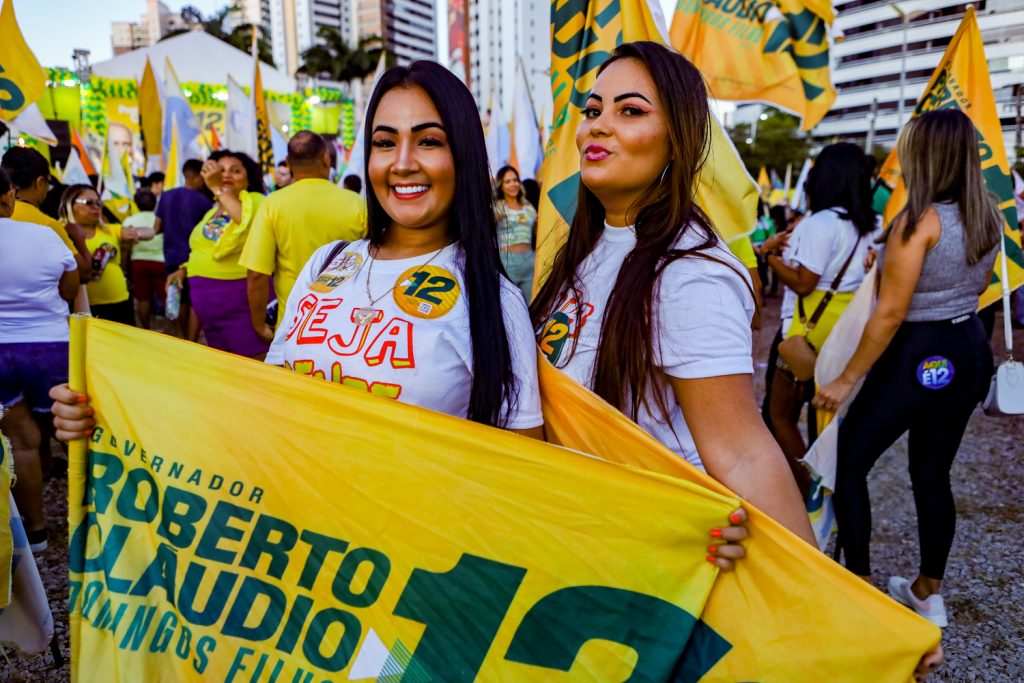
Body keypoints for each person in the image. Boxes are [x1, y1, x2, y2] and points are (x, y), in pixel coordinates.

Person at [51, 60, 756, 578]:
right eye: (385, 142)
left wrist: (685, 535)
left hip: (404, 584)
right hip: (284, 562)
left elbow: (532, 483)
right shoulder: (327, 263)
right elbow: (259, 414)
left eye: (429, 139)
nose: (404, 163)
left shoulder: (497, 302)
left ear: (463, 154)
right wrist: (107, 412)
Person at [530, 40, 812, 547]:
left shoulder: (690, 275)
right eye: (593, 109)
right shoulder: (584, 247)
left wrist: (813, 597)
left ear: (678, 141)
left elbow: (743, 452)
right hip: (570, 534)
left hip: (639, 557)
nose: (597, 124)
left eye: (630, 110)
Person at [815, 109, 1002, 629]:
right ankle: (928, 592)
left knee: (850, 460)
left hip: (920, 352)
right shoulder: (988, 213)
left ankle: (857, 589)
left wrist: (845, 378)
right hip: (969, 346)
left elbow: (891, 313)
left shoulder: (917, 220)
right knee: (932, 471)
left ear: (925, 156)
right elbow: (964, 280)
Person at [761, 143, 878, 496]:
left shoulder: (820, 223)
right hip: (844, 333)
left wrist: (767, 256)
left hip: (804, 334)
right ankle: (827, 485)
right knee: (822, 420)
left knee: (777, 415)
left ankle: (811, 489)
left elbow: (803, 282)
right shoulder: (871, 225)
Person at [0, 167, 79, 552]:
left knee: (22, 444)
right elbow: (70, 287)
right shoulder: (43, 235)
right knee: (76, 435)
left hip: (0, 351)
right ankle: (94, 524)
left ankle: (36, 532)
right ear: (8, 197)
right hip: (50, 347)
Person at [240, 130, 367, 342]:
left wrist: (259, 325)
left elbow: (256, 274)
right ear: (326, 158)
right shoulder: (357, 204)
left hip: (292, 324)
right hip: (346, 327)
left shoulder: (273, 204)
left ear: (288, 163)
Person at [167, 151, 268, 357]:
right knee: (225, 371)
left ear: (249, 179)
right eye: (221, 170)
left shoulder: (255, 201)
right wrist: (184, 270)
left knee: (253, 370)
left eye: (235, 170)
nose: (227, 174)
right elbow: (205, 248)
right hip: (209, 312)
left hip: (240, 307)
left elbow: (244, 221)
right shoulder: (213, 210)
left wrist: (217, 187)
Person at [1, 147, 91, 282]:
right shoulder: (49, 226)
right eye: (48, 184)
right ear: (40, 182)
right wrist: (79, 239)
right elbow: (83, 273)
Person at [59, 185, 138, 325]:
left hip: (120, 302)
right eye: (89, 202)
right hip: (83, 307)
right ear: (70, 204)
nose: (96, 207)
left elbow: (149, 232)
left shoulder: (109, 229)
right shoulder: (59, 232)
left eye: (99, 203)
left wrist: (135, 232)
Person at [155, 159, 213, 341]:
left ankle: (179, 336)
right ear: (197, 177)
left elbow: (156, 227)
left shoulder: (166, 196)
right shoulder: (204, 202)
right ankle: (191, 339)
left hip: (171, 256)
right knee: (194, 301)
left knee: (175, 298)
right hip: (194, 258)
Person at [493, 164, 537, 301]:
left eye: (515, 180)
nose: (513, 184)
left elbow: (538, 234)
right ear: (501, 185)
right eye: (507, 181)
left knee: (533, 308)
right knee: (511, 308)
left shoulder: (528, 207)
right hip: (507, 263)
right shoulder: (497, 207)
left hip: (529, 262)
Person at [124, 189, 164, 329]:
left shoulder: (129, 220)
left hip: (138, 262)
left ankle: (146, 328)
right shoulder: (159, 218)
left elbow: (126, 245)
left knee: (142, 298)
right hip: (161, 262)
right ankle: (174, 328)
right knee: (166, 296)